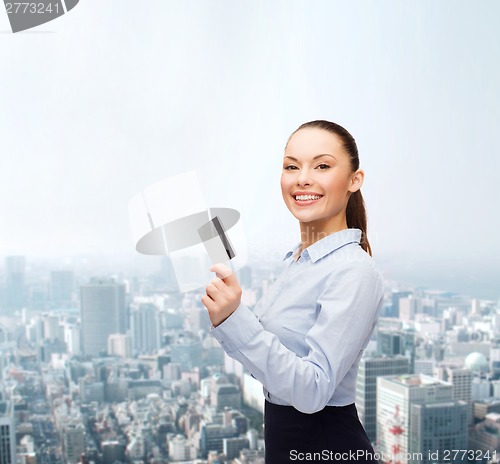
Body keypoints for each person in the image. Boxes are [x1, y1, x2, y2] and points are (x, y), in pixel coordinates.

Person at [201, 120, 384, 463]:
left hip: (326, 446)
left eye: (322, 165)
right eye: (291, 166)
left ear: (354, 180)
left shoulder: (354, 270)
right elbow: (275, 368)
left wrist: (235, 319)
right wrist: (232, 317)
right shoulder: (298, 261)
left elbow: (314, 390)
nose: (302, 177)